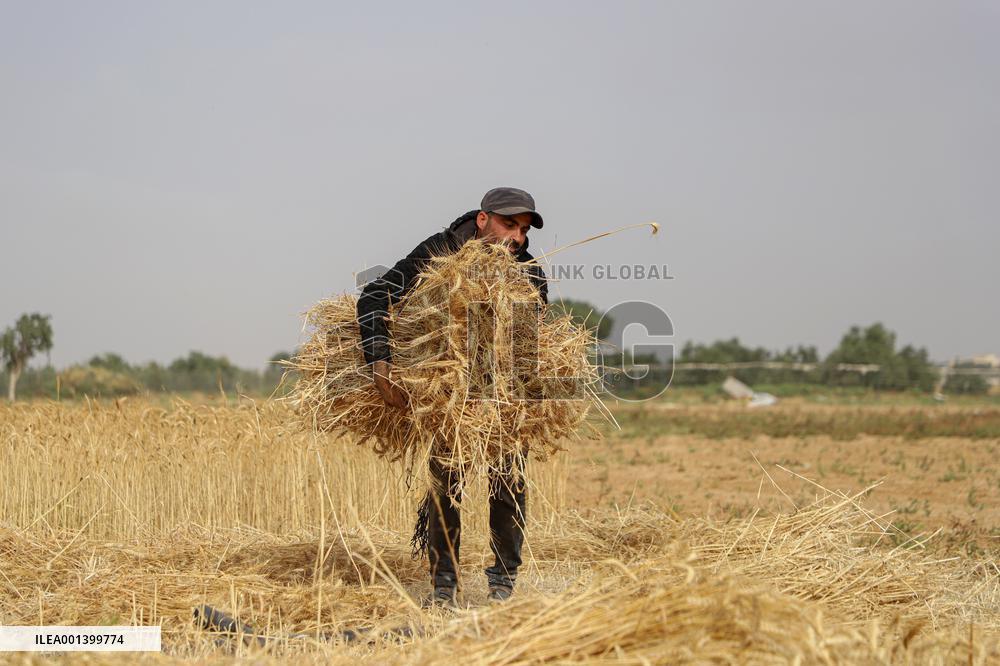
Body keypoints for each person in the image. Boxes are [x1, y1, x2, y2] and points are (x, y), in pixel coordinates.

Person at [356, 187, 549, 606]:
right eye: (508, 225)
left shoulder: (528, 270)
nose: (515, 238)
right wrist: (381, 364)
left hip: (502, 397)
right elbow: (375, 296)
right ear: (483, 220)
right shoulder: (439, 251)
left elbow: (534, 335)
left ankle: (503, 583)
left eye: (522, 230)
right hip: (447, 394)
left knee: (508, 483)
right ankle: (444, 585)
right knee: (446, 484)